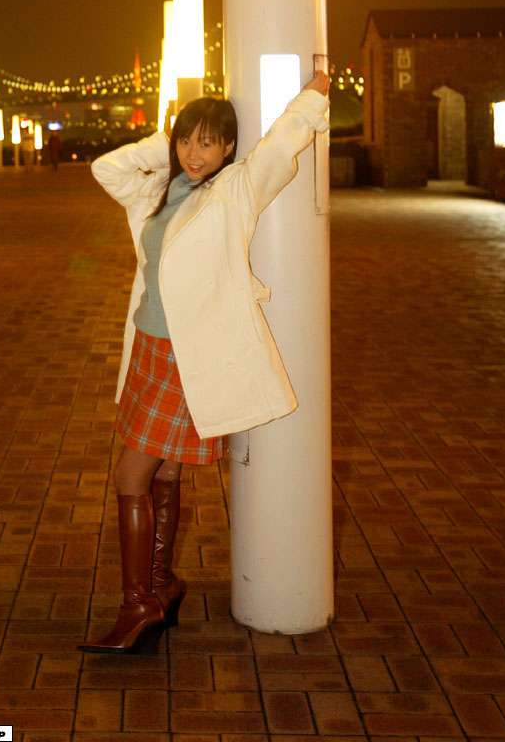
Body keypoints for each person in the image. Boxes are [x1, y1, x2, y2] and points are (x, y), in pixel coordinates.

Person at [78, 72, 330, 656]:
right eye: (187, 140)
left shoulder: (235, 190)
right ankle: (161, 586)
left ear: (228, 148)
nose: (195, 153)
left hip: (185, 356)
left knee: (130, 477)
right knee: (163, 473)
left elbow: (280, 146)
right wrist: (164, 141)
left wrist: (313, 95)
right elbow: (106, 168)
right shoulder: (159, 189)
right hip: (148, 346)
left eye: (208, 143)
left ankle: (138, 603)